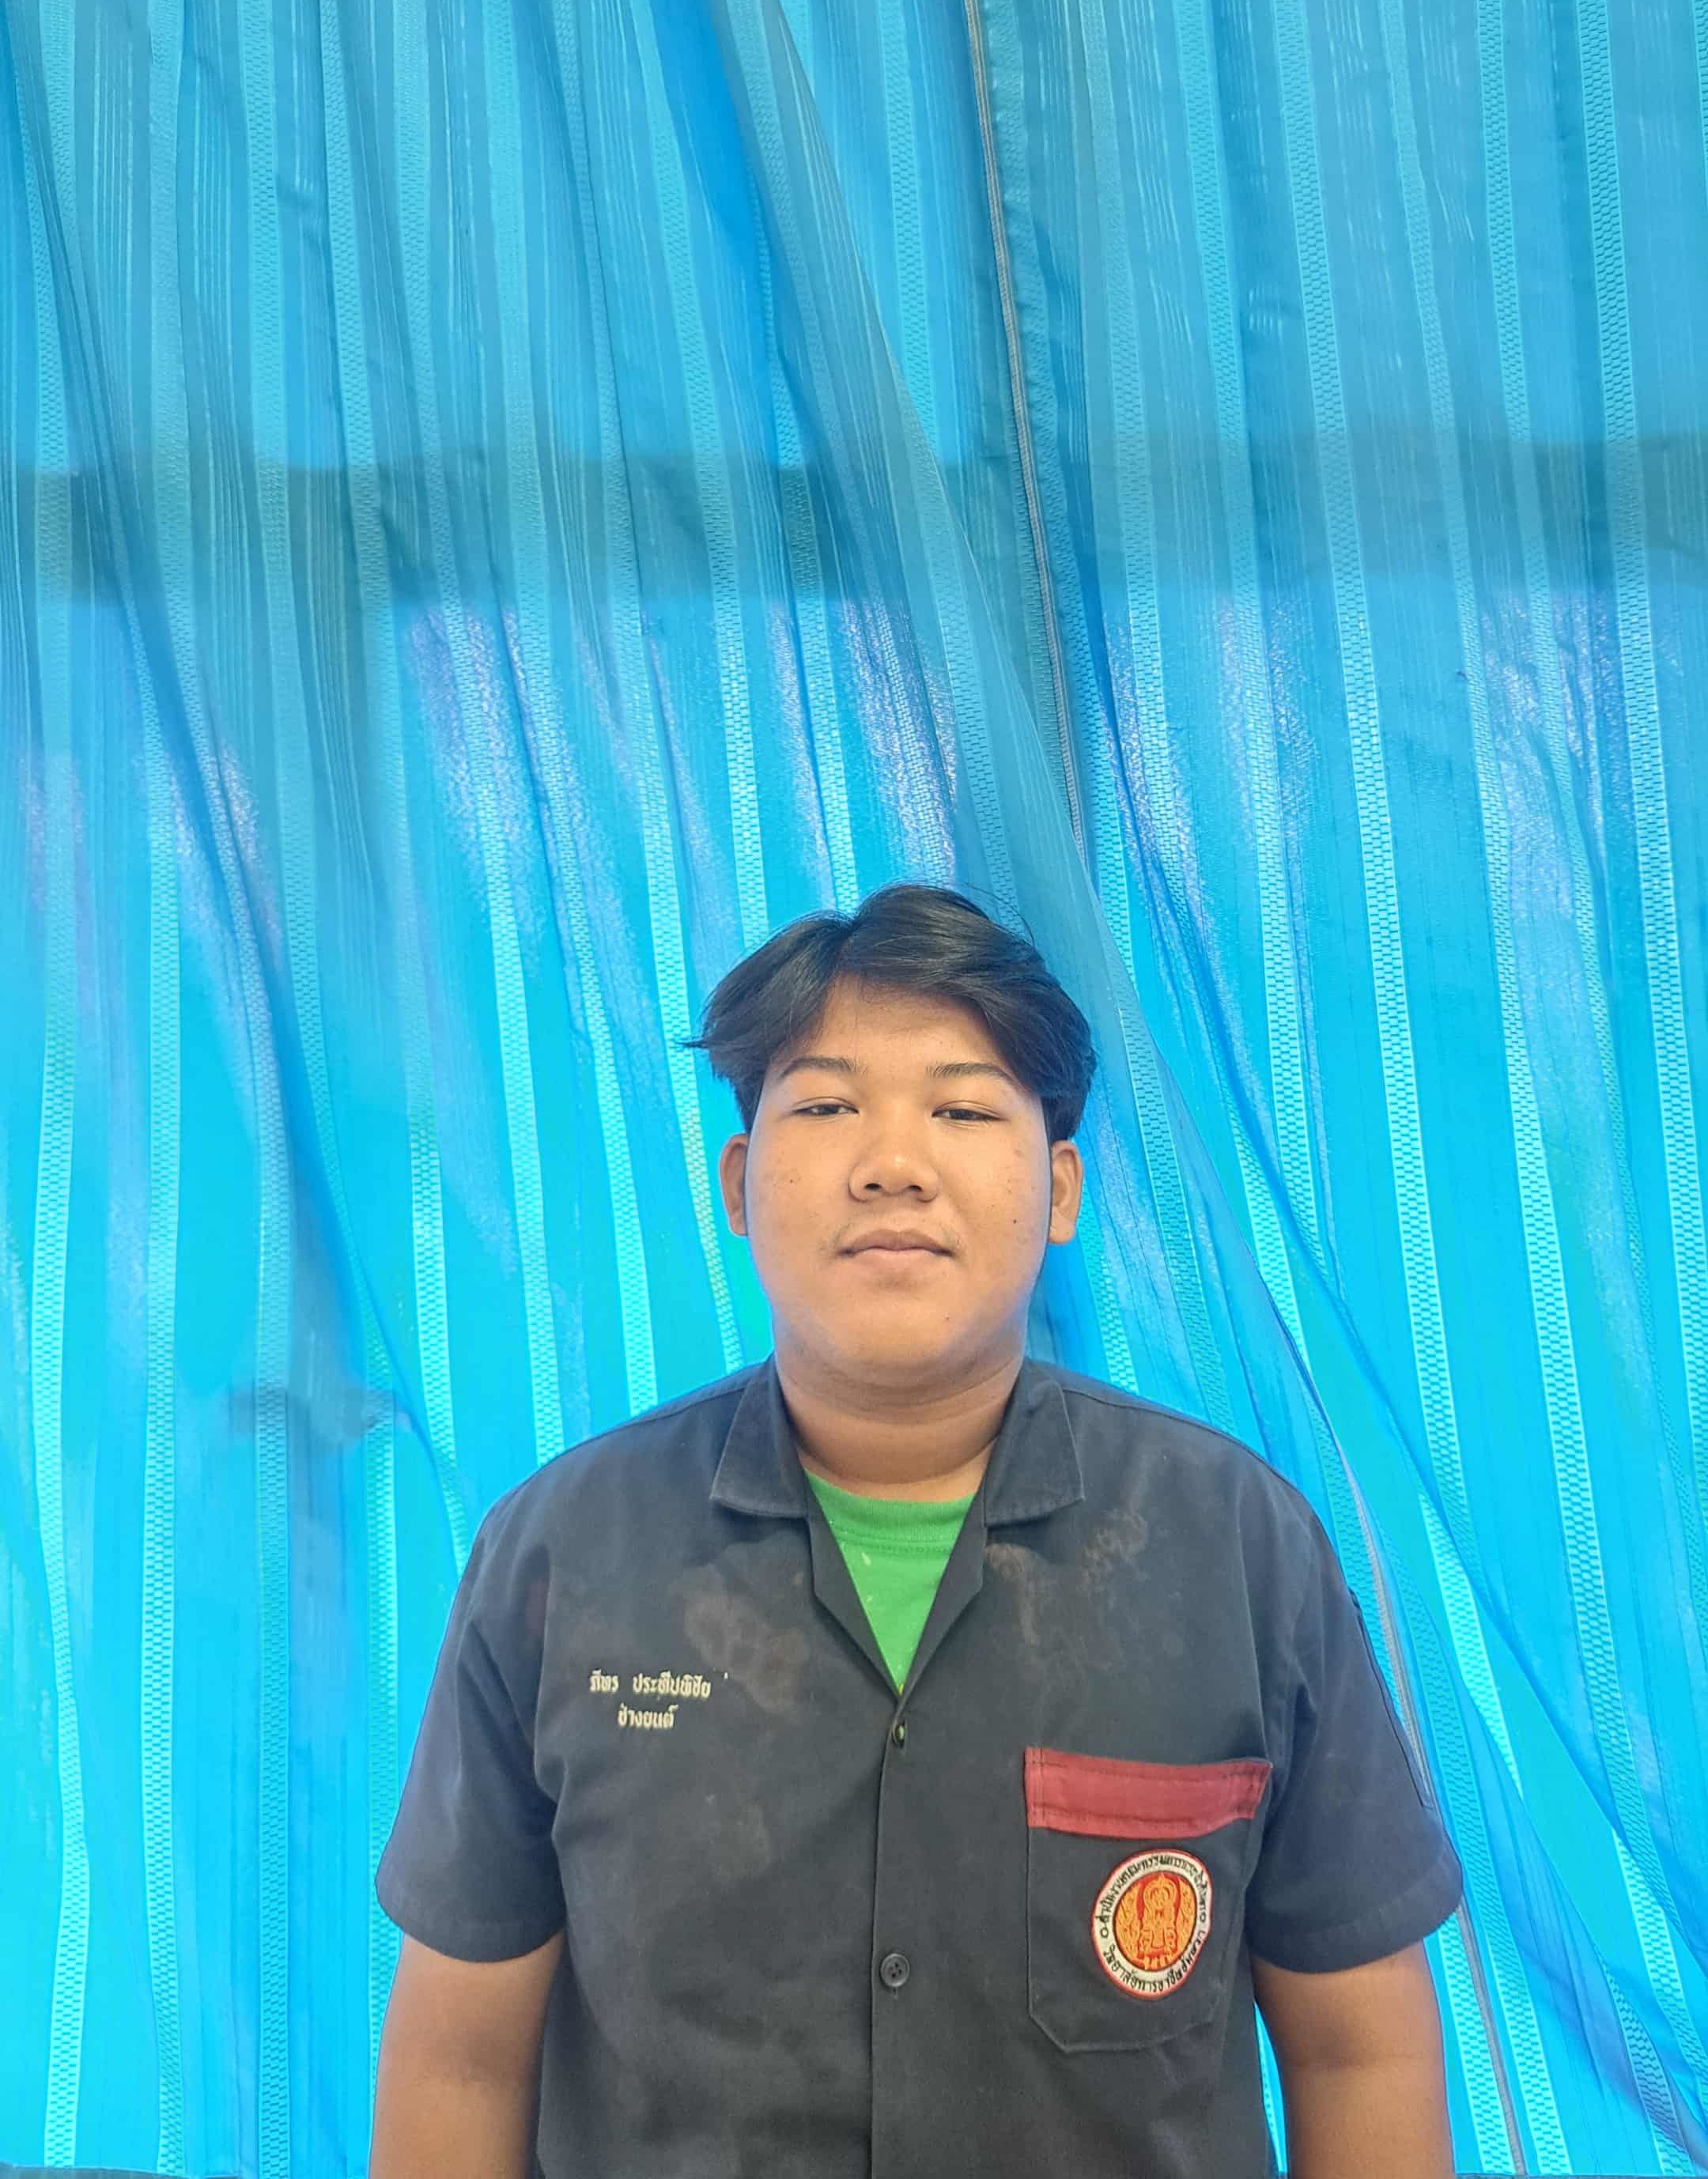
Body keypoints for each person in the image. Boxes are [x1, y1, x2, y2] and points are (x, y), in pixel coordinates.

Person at [369, 882, 1463, 2179]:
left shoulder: (1238, 1548)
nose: (892, 1163)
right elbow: (459, 2058)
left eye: (963, 1109)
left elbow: (1357, 2050)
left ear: (1059, 1189)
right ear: (739, 1183)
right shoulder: (561, 1557)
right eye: (828, 1107)